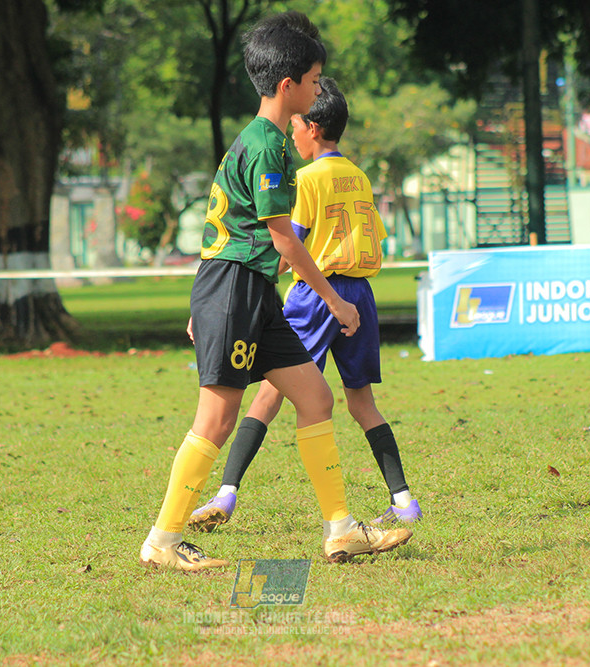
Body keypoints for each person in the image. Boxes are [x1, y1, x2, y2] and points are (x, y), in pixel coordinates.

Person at [138, 11, 412, 572]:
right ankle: (162, 542)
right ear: (288, 86)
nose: (318, 91)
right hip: (235, 288)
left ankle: (341, 530)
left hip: (248, 291)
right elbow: (282, 238)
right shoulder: (266, 145)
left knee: (316, 398)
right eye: (313, 81)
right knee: (216, 417)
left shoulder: (272, 143)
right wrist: (333, 301)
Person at [188, 77, 421, 533]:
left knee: (269, 394)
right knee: (362, 403)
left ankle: (226, 493)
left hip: (319, 294)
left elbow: (289, 244)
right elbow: (377, 236)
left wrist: (234, 293)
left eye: (296, 124)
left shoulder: (306, 178)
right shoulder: (359, 175)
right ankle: (403, 499)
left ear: (312, 128)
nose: (291, 132)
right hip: (361, 294)